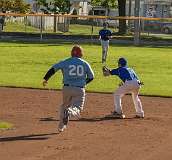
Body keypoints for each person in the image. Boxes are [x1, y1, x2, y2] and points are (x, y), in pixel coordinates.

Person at [43, 45, 94, 132]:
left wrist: (46, 79)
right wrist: (83, 83)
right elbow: (91, 77)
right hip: (79, 89)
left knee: (64, 106)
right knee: (77, 108)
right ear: (81, 53)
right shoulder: (84, 63)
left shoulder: (65, 61)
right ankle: (69, 112)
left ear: (71, 53)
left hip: (66, 88)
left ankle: (61, 126)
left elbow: (53, 69)